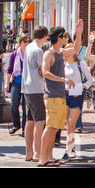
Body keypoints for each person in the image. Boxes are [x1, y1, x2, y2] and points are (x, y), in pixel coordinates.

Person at [39, 20, 83, 167]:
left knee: (55, 128)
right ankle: (42, 159)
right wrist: (64, 80)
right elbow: (45, 72)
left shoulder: (61, 52)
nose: (66, 38)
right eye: (65, 35)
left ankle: (50, 156)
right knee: (50, 127)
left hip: (59, 95)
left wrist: (79, 32)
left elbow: (76, 49)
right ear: (59, 38)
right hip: (51, 96)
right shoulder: (49, 54)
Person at [61, 43, 94, 161]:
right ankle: (71, 147)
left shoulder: (80, 64)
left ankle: (68, 150)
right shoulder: (62, 64)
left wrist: (82, 87)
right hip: (64, 94)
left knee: (71, 124)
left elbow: (90, 80)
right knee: (67, 124)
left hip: (76, 95)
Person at [21, 26, 48, 163]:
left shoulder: (28, 48)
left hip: (26, 88)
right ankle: (38, 152)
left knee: (30, 120)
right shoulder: (38, 50)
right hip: (36, 88)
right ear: (44, 36)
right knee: (40, 121)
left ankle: (28, 152)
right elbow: (42, 70)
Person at [6, 35, 31, 135]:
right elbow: (9, 69)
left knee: (26, 107)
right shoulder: (14, 55)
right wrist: (7, 83)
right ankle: (16, 124)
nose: (26, 44)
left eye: (28, 42)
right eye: (24, 41)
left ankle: (25, 128)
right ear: (20, 43)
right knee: (14, 105)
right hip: (16, 82)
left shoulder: (31, 54)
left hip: (28, 83)